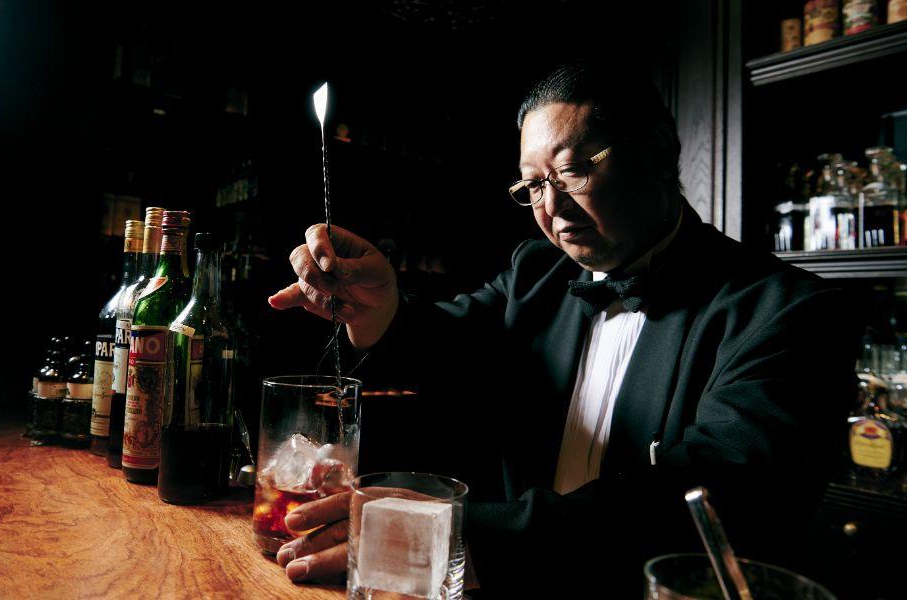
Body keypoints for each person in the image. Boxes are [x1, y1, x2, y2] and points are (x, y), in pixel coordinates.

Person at [267, 61, 859, 596]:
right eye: (532, 187)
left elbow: (714, 495)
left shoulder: (789, 312)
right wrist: (378, 307)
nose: (551, 208)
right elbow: (448, 342)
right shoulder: (538, 273)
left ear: (658, 153)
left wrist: (459, 536)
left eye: (572, 171)